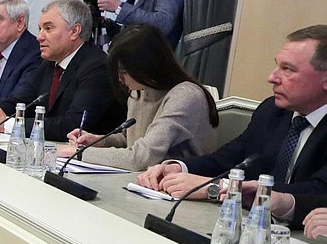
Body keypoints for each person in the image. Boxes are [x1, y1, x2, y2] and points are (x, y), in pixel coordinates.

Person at [137, 25, 327, 200]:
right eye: (277, 65)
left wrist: (219, 187)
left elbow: (318, 192)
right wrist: (177, 167)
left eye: (287, 69)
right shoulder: (272, 111)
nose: (272, 77)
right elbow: (227, 160)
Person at [54, 24, 217, 170]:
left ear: (147, 66)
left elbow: (141, 157)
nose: (120, 79)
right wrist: (99, 141)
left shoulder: (185, 96)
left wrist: (79, 153)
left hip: (177, 189)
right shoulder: (139, 90)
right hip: (144, 181)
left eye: (124, 72)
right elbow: (130, 138)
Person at [0, 0, 124, 140]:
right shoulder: (49, 63)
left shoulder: (97, 67)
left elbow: (73, 124)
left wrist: (7, 125)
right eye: (40, 29)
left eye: (48, 28)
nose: (39, 36)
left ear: (74, 31)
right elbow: (19, 102)